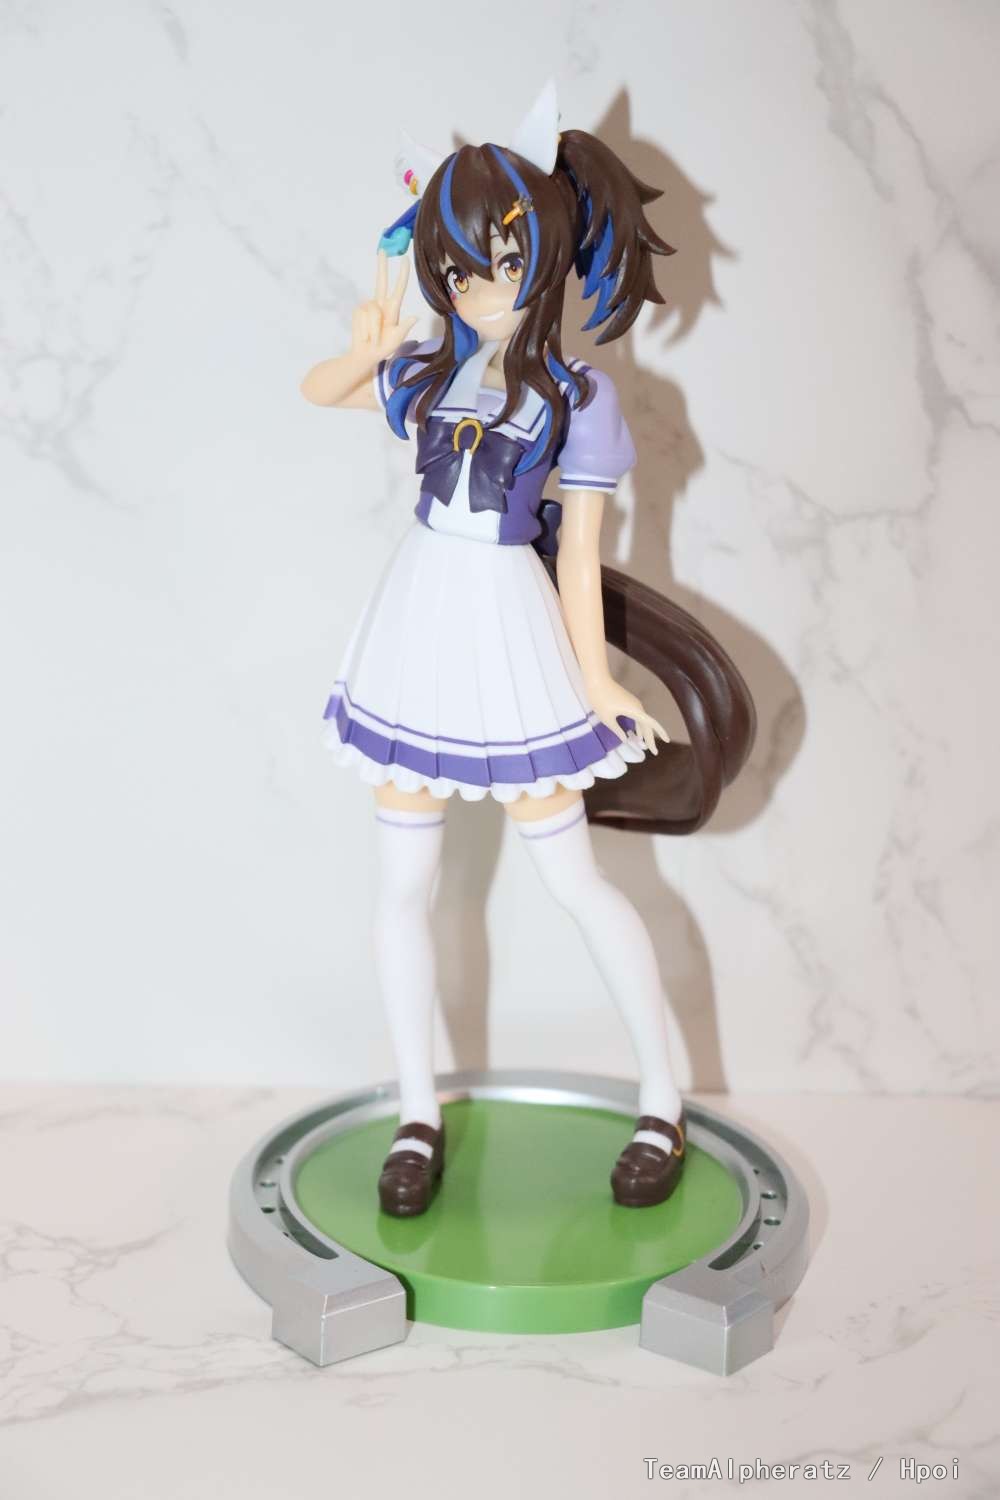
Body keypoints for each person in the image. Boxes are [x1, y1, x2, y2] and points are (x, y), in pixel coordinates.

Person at [301, 82, 688, 1216]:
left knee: (573, 879)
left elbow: (581, 555)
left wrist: (597, 676)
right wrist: (364, 349)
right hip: (417, 627)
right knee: (402, 885)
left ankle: (663, 1097)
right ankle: (416, 1112)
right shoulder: (425, 372)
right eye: (459, 270)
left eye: (502, 264)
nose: (479, 290)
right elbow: (320, 391)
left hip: (508, 632)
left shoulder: (577, 395)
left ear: (546, 258)